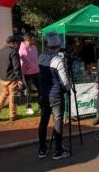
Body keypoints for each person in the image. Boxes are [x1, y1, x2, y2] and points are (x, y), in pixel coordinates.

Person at [38, 32, 70, 160]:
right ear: (58, 46)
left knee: (44, 121)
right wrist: (68, 89)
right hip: (55, 95)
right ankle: (58, 150)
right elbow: (65, 82)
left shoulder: (41, 57)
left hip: (44, 95)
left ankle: (42, 149)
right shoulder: (58, 60)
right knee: (57, 121)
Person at [0, 36, 23, 121]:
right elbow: (16, 67)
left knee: (3, 95)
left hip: (3, 78)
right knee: (13, 96)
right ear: (12, 43)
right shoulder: (13, 52)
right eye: (17, 43)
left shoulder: (0, 51)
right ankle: (13, 115)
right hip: (12, 79)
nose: (17, 45)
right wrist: (19, 79)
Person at [19, 33, 40, 114]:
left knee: (40, 89)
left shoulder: (34, 47)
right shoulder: (22, 48)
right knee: (28, 90)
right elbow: (26, 60)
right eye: (31, 40)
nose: (33, 41)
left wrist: (37, 68)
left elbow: (36, 58)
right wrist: (36, 67)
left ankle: (40, 106)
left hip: (36, 72)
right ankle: (28, 107)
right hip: (27, 73)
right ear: (27, 40)